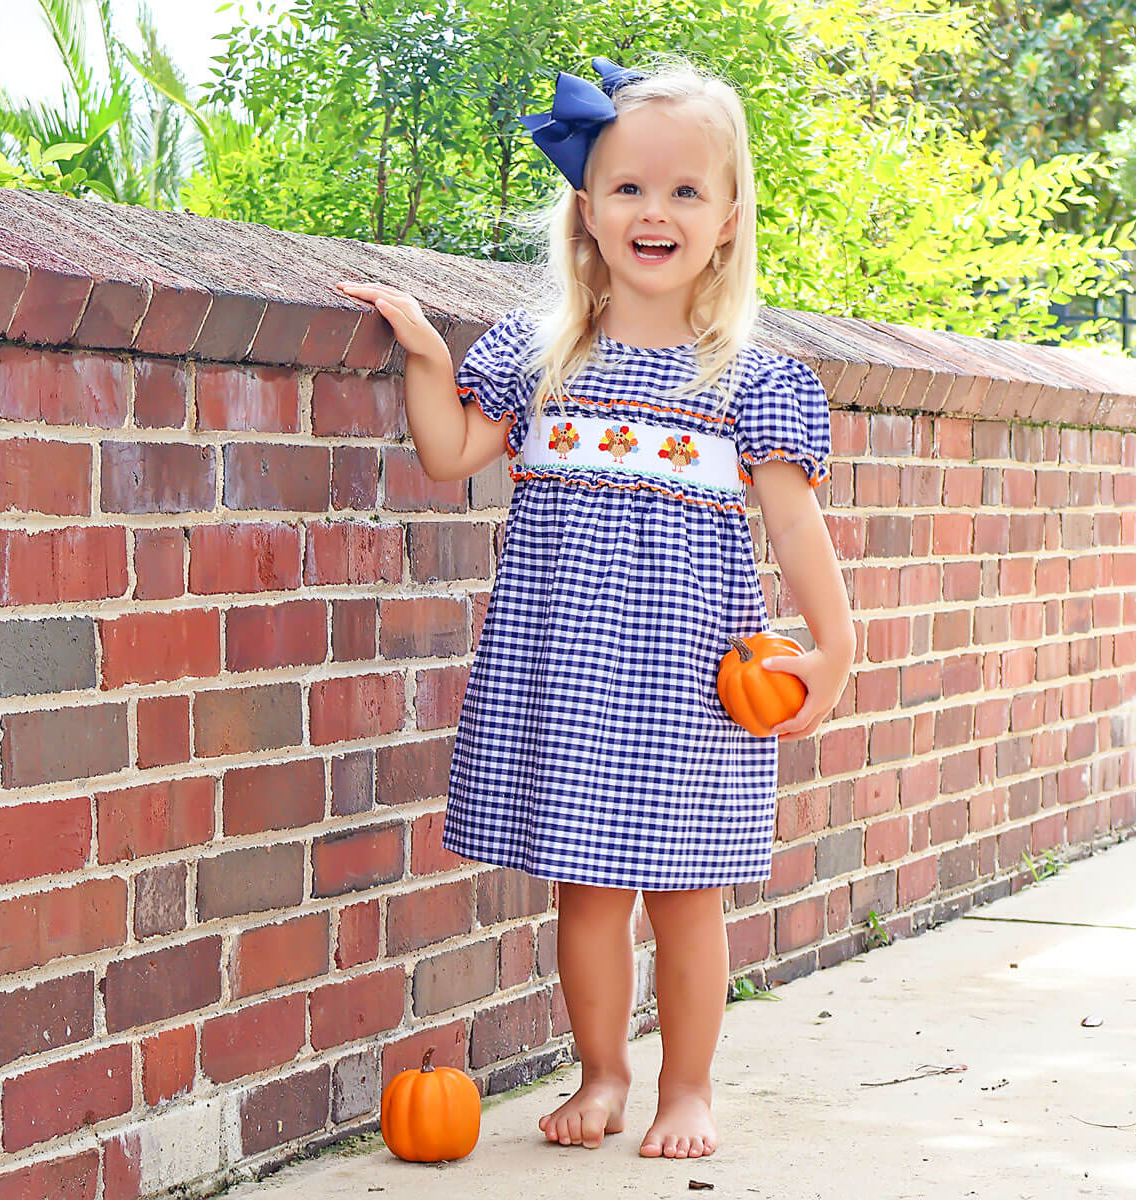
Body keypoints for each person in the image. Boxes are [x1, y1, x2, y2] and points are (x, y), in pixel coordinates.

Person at [338, 52, 855, 1161]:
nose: (653, 211)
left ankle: (689, 1090)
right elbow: (449, 452)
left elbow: (798, 531)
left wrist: (839, 645)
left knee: (686, 899)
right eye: (627, 187)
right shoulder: (538, 356)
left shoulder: (752, 381)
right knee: (584, 892)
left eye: (684, 191)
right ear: (587, 206)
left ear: (727, 218)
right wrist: (426, 349)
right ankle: (604, 1074)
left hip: (690, 680)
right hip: (570, 670)